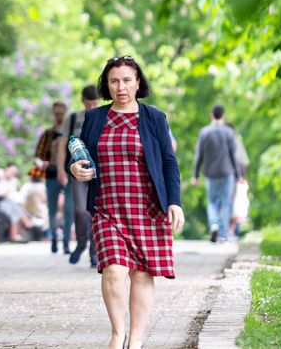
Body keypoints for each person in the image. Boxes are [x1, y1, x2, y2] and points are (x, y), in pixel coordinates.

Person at [68, 56, 183, 349]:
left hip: (148, 208)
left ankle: (136, 341)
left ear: (138, 82)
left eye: (127, 80)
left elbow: (169, 162)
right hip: (108, 208)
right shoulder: (95, 118)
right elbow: (83, 157)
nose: (121, 87)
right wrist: (75, 169)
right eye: (114, 81)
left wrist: (175, 202)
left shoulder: (154, 118)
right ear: (107, 85)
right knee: (114, 270)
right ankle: (118, 334)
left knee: (142, 274)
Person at [56, 84, 100, 264]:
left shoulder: (104, 116)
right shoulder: (73, 118)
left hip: (99, 170)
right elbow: (61, 145)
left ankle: (94, 252)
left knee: (95, 212)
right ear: (82, 101)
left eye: (94, 103)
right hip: (77, 170)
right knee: (81, 210)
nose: (91, 107)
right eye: (88, 103)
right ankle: (82, 242)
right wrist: (60, 169)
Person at [193, 104, 242, 243]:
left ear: (211, 115)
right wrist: (238, 175)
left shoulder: (204, 132)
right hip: (227, 172)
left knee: (212, 202)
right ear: (223, 115)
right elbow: (233, 155)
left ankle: (214, 225)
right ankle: (224, 234)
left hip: (210, 173)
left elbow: (199, 155)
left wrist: (196, 175)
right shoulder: (229, 132)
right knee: (226, 202)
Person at [34, 101, 69, 252]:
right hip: (51, 174)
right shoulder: (47, 134)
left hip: (69, 174)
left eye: (61, 113)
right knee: (52, 209)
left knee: (69, 208)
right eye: (56, 114)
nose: (59, 116)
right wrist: (42, 163)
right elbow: (37, 156)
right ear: (53, 114)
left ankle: (66, 242)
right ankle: (54, 238)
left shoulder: (70, 132)